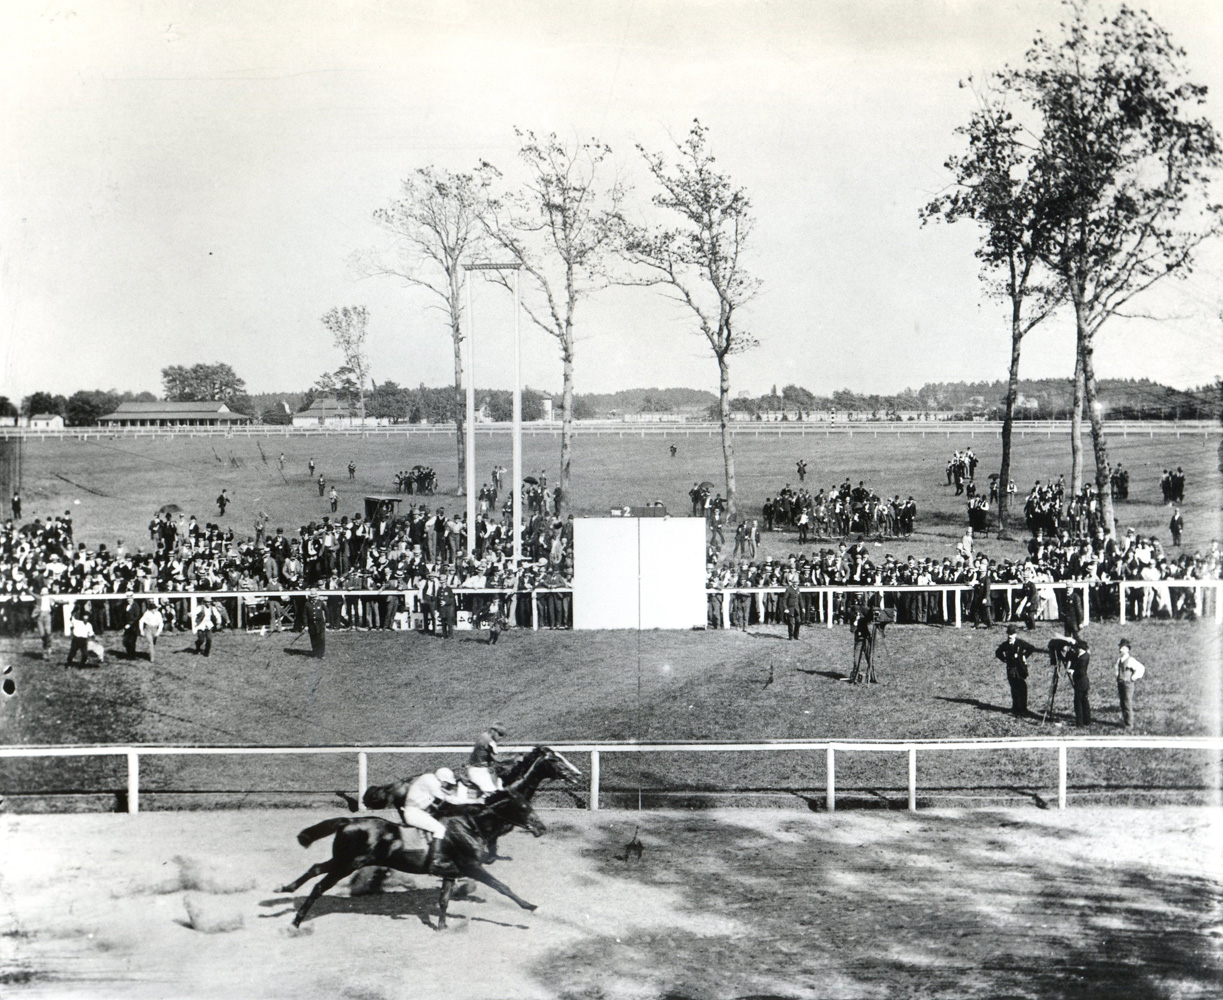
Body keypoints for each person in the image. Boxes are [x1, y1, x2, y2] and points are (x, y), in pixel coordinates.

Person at [401, 766, 465, 844]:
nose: (446, 785)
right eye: (447, 783)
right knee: (440, 829)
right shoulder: (432, 782)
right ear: (443, 781)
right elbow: (447, 799)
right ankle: (435, 855)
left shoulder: (430, 778)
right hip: (414, 813)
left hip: (417, 811)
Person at [1048, 635, 1091, 726]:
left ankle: (1080, 723)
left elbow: (1081, 670)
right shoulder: (1081, 655)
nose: (1075, 649)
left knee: (1078, 703)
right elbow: (1070, 657)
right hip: (1082, 683)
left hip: (1081, 682)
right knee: (1084, 701)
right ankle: (1087, 720)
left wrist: (1072, 670)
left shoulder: (1083, 658)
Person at [995, 625, 1038, 717]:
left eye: (1012, 634)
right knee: (1014, 688)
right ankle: (1015, 708)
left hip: (1020, 669)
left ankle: (1023, 708)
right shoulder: (1005, 645)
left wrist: (1024, 656)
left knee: (1022, 687)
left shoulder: (1020, 643)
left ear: (1015, 634)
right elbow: (998, 652)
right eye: (1009, 634)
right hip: (1011, 669)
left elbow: (1031, 648)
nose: (1010, 636)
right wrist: (1004, 659)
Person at [467, 723, 507, 795]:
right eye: (500, 734)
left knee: (499, 785)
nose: (501, 737)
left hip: (476, 769)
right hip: (479, 771)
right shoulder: (490, 742)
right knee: (493, 793)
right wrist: (513, 759)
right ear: (493, 731)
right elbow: (498, 759)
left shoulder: (483, 736)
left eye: (503, 735)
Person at [1115, 638, 1146, 728]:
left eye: (1123, 648)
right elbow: (1117, 669)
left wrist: (1133, 677)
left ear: (1127, 649)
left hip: (1128, 684)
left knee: (1127, 702)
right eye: (1120, 648)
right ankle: (1125, 721)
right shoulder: (1119, 660)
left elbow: (1140, 668)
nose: (1120, 650)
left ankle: (1129, 723)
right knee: (1122, 702)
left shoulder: (1130, 660)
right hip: (1121, 683)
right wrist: (1118, 677)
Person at [305, 590, 327, 657]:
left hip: (320, 624)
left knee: (321, 639)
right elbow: (304, 615)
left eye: (315, 596)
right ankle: (315, 652)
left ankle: (321, 654)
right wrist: (306, 625)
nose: (313, 598)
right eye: (312, 597)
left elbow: (327, 611)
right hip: (311, 624)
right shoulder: (307, 604)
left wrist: (328, 621)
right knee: (313, 638)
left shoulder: (320, 603)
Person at [782, 573, 801, 640]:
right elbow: (784, 599)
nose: (795, 584)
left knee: (798, 621)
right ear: (792, 583)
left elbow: (800, 599)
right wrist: (785, 608)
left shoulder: (798, 589)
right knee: (790, 623)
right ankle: (791, 636)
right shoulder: (788, 589)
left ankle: (796, 635)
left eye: (797, 582)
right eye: (794, 582)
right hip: (790, 608)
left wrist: (803, 607)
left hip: (796, 608)